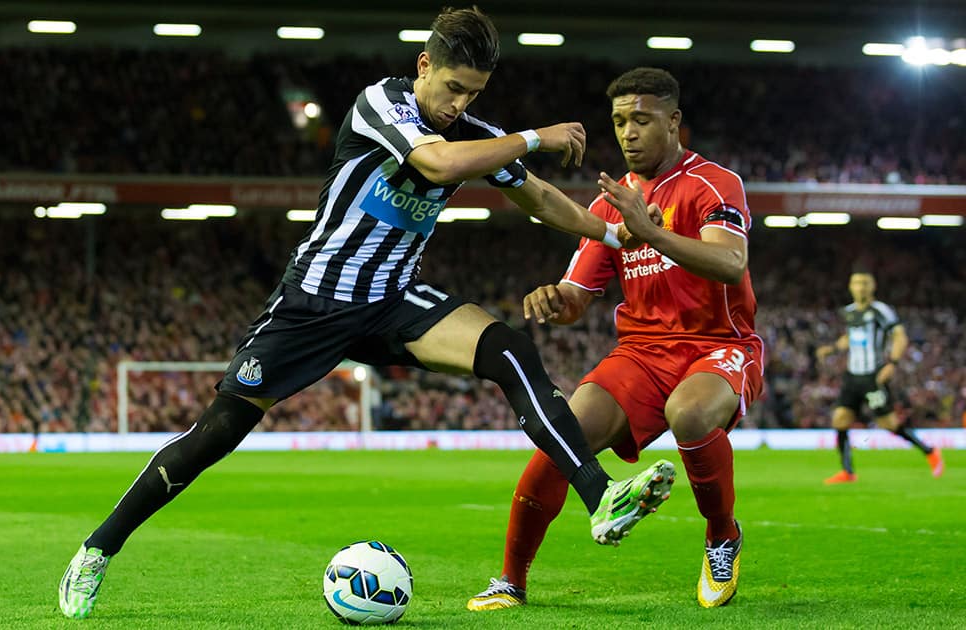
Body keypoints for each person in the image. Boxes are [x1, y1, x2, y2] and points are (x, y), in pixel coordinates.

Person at [58, 7, 655, 619]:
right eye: (452, 88)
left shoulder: (474, 132)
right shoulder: (381, 105)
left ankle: (602, 497)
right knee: (215, 435)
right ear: (424, 65)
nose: (457, 105)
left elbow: (538, 196)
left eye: (472, 94)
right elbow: (437, 164)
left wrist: (610, 236)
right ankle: (96, 551)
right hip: (314, 303)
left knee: (509, 349)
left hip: (393, 301)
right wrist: (536, 136)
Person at [467, 67, 764, 611]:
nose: (628, 133)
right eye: (620, 121)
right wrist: (557, 301)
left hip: (718, 344)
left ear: (674, 123)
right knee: (561, 440)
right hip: (641, 354)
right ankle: (511, 581)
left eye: (642, 120)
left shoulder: (714, 184)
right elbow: (577, 294)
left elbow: (730, 262)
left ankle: (722, 535)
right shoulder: (610, 204)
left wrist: (650, 231)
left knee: (691, 416)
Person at [816, 269, 943, 484]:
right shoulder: (849, 312)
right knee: (840, 419)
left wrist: (892, 363)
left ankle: (930, 451)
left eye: (865, 283)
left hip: (872, 376)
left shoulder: (881, 311)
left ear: (872, 286)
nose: (861, 287)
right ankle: (848, 471)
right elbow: (851, 337)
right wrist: (832, 349)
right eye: (857, 283)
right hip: (852, 376)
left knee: (889, 423)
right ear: (851, 286)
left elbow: (900, 336)